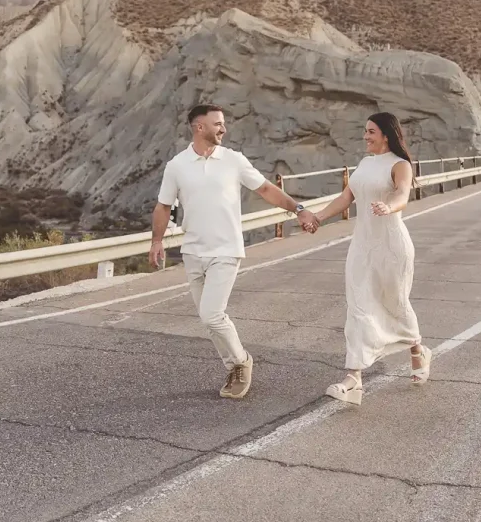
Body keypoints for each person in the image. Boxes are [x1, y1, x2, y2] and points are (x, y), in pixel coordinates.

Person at [149, 103, 319, 400]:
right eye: (217, 124)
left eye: (223, 123)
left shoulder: (234, 160)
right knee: (207, 318)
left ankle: (241, 362)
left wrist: (299, 208)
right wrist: (157, 240)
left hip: (226, 249)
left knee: (213, 315)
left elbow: (266, 189)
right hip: (193, 251)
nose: (223, 128)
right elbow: (164, 205)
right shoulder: (177, 165)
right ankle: (233, 366)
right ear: (199, 127)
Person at [314, 112, 430, 406]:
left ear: (387, 135)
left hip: (392, 246)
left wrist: (388, 207)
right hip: (362, 246)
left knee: (395, 303)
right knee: (359, 306)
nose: (366, 136)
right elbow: (345, 199)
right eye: (365, 131)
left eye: (371, 131)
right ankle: (353, 379)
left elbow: (403, 194)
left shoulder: (400, 165)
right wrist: (318, 217)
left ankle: (417, 349)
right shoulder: (365, 164)